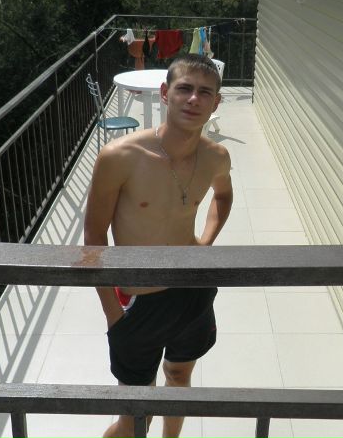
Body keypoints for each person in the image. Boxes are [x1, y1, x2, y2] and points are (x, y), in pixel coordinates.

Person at [84, 54, 233, 438]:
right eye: (185, 88)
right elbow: (94, 237)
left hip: (192, 291)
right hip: (138, 300)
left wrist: (205, 242)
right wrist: (112, 313)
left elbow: (223, 197)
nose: (194, 99)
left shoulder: (216, 156)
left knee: (179, 377)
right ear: (166, 93)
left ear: (216, 102)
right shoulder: (120, 156)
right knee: (137, 413)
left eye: (205, 92)